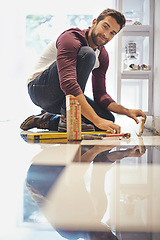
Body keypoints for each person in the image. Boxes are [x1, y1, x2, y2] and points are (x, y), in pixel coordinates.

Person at [20, 9, 146, 133]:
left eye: (112, 33)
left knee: (107, 119)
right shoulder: (71, 38)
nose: (106, 35)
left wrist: (126, 111)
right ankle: (67, 118)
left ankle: (46, 120)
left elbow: (100, 94)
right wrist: (95, 119)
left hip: (63, 98)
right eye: (105, 27)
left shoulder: (102, 56)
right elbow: (68, 83)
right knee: (88, 54)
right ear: (94, 22)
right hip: (40, 90)